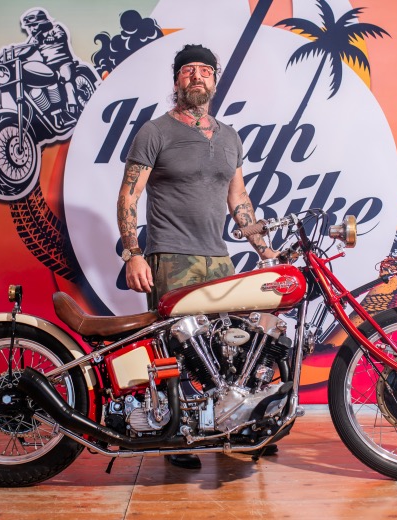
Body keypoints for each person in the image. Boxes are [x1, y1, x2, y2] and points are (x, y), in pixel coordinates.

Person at [116, 44, 277, 469]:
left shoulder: (230, 137)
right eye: (188, 70)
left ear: (215, 81)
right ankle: (175, 437)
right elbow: (129, 196)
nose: (196, 76)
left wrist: (266, 251)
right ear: (176, 80)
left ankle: (232, 429)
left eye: (205, 70)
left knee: (229, 349)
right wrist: (133, 253)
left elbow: (238, 199)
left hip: (219, 260)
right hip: (171, 257)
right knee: (173, 347)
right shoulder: (155, 131)